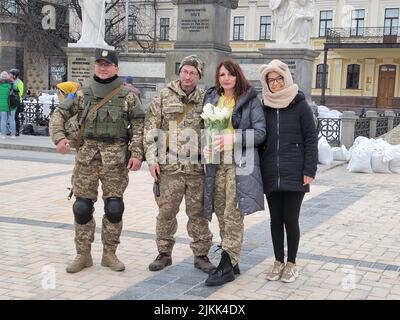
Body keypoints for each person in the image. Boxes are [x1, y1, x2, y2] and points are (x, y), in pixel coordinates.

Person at [49, 49, 145, 273]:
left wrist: (138, 153)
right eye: (99, 64)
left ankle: (109, 254)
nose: (103, 68)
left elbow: (140, 125)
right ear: (95, 67)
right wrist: (60, 138)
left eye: (107, 64)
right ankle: (83, 255)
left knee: (114, 207)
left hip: (116, 159)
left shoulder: (127, 96)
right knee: (82, 207)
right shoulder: (82, 94)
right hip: (86, 158)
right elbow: (58, 115)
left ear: (116, 68)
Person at [144, 55, 215, 274]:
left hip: (195, 170)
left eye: (193, 73)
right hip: (170, 168)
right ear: (180, 72)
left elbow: (211, 130)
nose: (188, 76)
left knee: (198, 214)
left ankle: (201, 255)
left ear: (199, 76)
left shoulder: (206, 99)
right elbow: (150, 129)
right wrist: (152, 159)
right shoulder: (164, 96)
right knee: (166, 212)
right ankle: (164, 253)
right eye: (185, 71)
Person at [202, 59, 266, 286]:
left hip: (239, 163)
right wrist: (206, 145)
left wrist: (234, 137)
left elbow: (260, 133)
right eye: (221, 75)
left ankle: (227, 263)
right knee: (220, 210)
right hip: (216, 162)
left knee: (233, 212)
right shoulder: (212, 98)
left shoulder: (249, 100)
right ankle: (232, 258)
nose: (226, 79)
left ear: (237, 76)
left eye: (230, 75)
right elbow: (206, 129)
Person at [259, 59, 318, 283]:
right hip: (271, 171)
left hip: (295, 171)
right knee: (275, 220)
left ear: (286, 79)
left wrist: (309, 169)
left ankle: (291, 263)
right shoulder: (264, 105)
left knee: (291, 219)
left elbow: (311, 140)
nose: (275, 84)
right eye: (270, 80)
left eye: (278, 79)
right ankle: (278, 261)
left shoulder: (300, 104)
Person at [9, 69, 24, 136]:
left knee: (15, 117)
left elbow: (20, 93)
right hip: (11, 101)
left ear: (14, 75)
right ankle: (12, 130)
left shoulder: (19, 83)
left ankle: (16, 131)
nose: (9, 75)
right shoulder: (10, 81)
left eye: (11, 74)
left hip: (17, 102)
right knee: (11, 117)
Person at [0, 71, 14, 138]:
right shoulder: (12, 85)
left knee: (3, 119)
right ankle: (13, 135)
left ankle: (3, 134)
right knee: (12, 119)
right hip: (12, 105)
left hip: (2, 105)